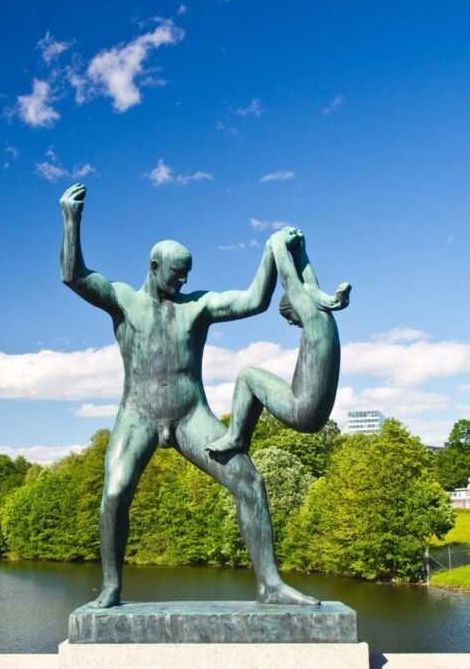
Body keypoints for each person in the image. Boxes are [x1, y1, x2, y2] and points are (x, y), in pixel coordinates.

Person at [59, 183, 318, 608]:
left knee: (249, 482)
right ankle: (110, 587)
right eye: (177, 273)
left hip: (190, 416)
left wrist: (274, 252)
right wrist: (71, 220)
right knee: (114, 492)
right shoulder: (123, 300)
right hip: (138, 414)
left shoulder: (196, 307)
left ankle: (270, 584)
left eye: (188, 275)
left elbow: (254, 300)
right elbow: (74, 276)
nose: (184, 281)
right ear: (155, 266)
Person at [206, 227, 349, 453]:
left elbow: (289, 280)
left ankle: (236, 436)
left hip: (302, 410)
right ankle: (238, 435)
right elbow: (309, 286)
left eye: (289, 316)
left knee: (246, 376)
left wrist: (278, 244)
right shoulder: (325, 319)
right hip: (315, 413)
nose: (291, 323)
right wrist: (301, 251)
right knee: (259, 380)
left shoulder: (313, 319)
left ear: (298, 306)